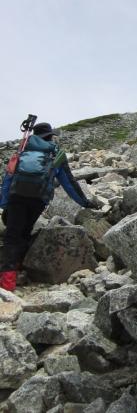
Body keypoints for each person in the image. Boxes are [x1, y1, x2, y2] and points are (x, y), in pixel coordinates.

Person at [0, 122, 96, 291]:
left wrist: (4, 203)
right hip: (38, 198)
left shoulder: (22, 150)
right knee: (24, 232)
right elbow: (69, 182)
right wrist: (85, 202)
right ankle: (19, 268)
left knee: (12, 235)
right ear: (50, 136)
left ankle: (8, 281)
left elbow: (8, 177)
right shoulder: (55, 153)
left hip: (17, 196)